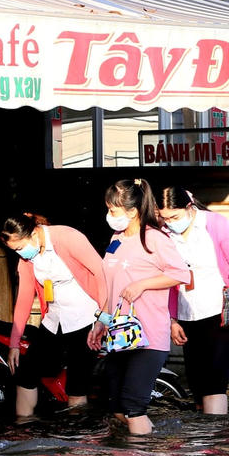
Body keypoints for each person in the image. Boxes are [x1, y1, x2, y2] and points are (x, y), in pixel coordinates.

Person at [89, 179, 191, 435]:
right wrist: (101, 320)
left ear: (132, 211)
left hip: (147, 336)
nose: (109, 216)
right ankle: (150, 449)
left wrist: (143, 285)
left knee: (134, 409)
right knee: (117, 409)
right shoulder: (117, 238)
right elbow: (112, 285)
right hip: (119, 334)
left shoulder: (154, 238)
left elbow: (182, 274)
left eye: (113, 210)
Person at [2, 213, 107, 420]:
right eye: (15, 251)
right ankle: (25, 428)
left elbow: (102, 273)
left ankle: (77, 441)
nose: (20, 254)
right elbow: (24, 298)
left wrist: (102, 318)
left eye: (20, 248)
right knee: (25, 375)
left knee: (77, 386)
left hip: (86, 318)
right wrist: (15, 342)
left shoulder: (67, 237)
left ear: (33, 233)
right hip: (53, 320)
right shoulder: (27, 259)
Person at [159, 187, 229, 415]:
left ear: (189, 207)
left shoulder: (215, 223)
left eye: (174, 217)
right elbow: (169, 281)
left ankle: (216, 441)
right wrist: (172, 320)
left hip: (222, 312)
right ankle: (203, 445)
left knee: (214, 384)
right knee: (198, 386)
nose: (170, 222)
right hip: (188, 314)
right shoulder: (165, 234)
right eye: (165, 218)